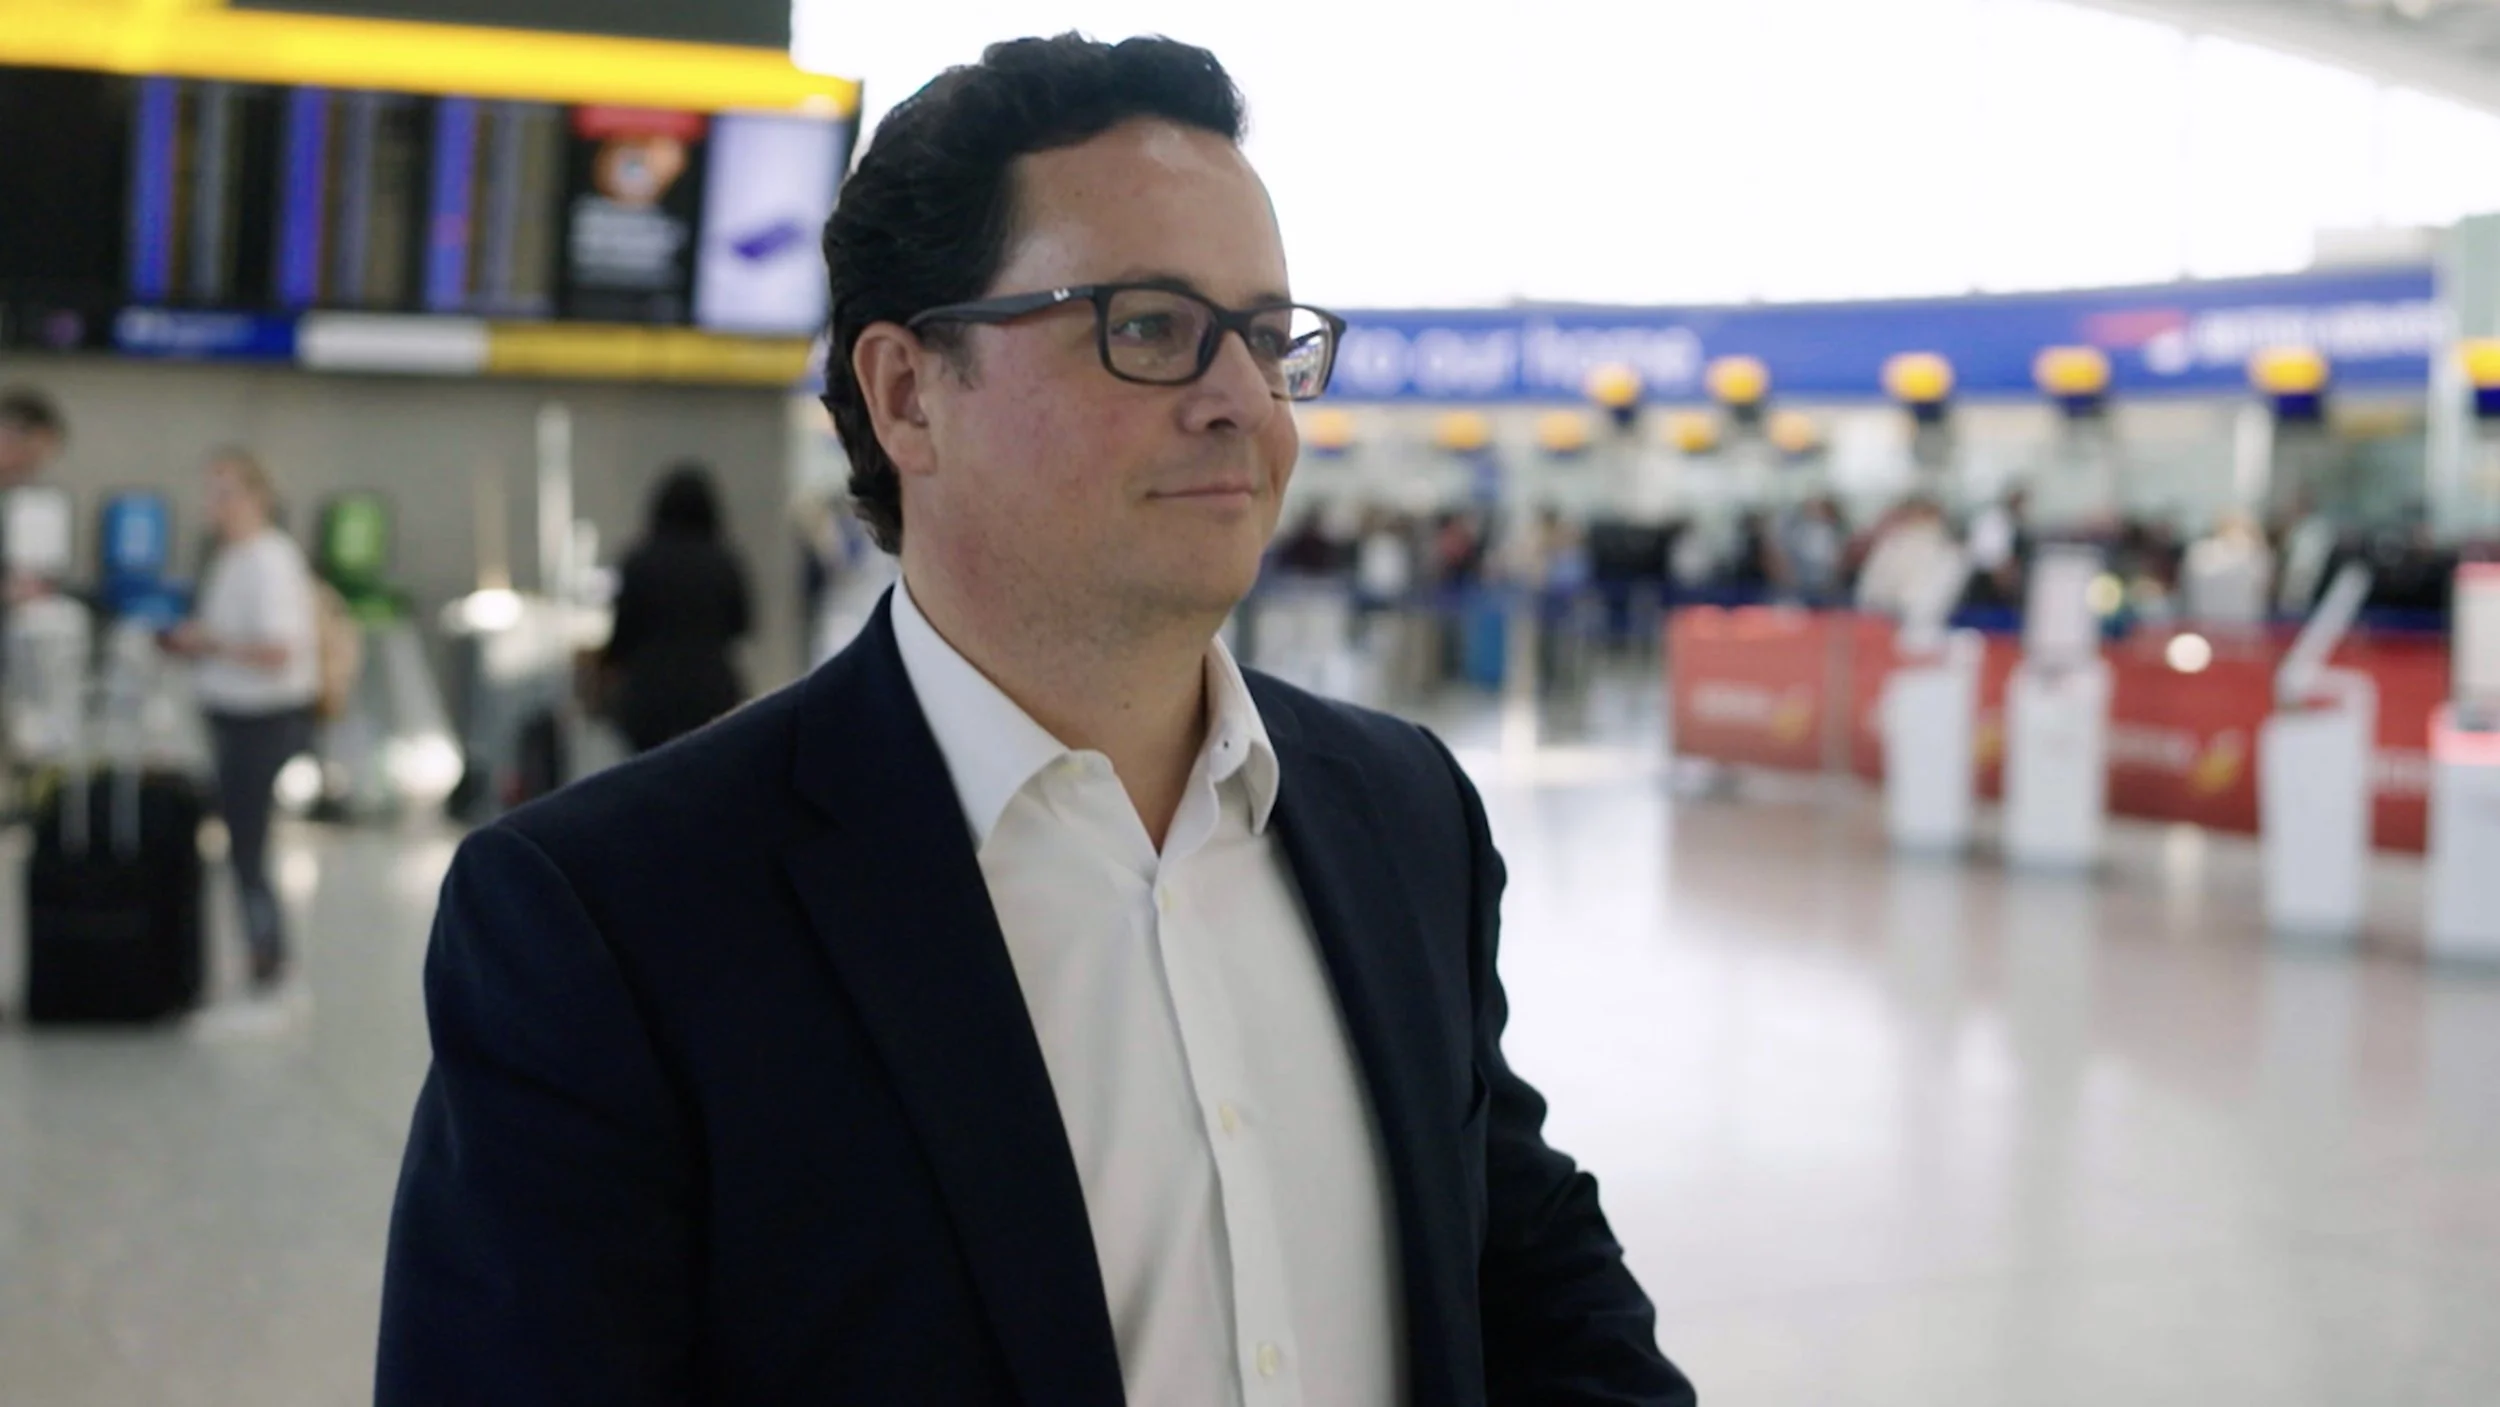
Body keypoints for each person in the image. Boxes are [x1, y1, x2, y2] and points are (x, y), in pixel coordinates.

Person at [380, 34, 1691, 1407]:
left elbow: (1530, 1267)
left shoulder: (1401, 813)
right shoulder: (617, 916)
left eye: (1264, 335)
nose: (1240, 399)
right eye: (1148, 326)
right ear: (907, 394)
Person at [160, 450, 319, 992]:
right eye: (211, 493)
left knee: (249, 844)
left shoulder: (270, 561)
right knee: (237, 842)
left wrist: (209, 644)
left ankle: (268, 952)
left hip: (262, 722)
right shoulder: (230, 557)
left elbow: (277, 650)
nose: (215, 506)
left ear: (259, 498)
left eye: (226, 493)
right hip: (229, 716)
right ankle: (256, 948)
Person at [598, 463, 752, 754]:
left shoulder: (639, 561)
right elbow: (742, 625)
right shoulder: (723, 562)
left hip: (649, 694)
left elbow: (622, 634)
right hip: (711, 692)